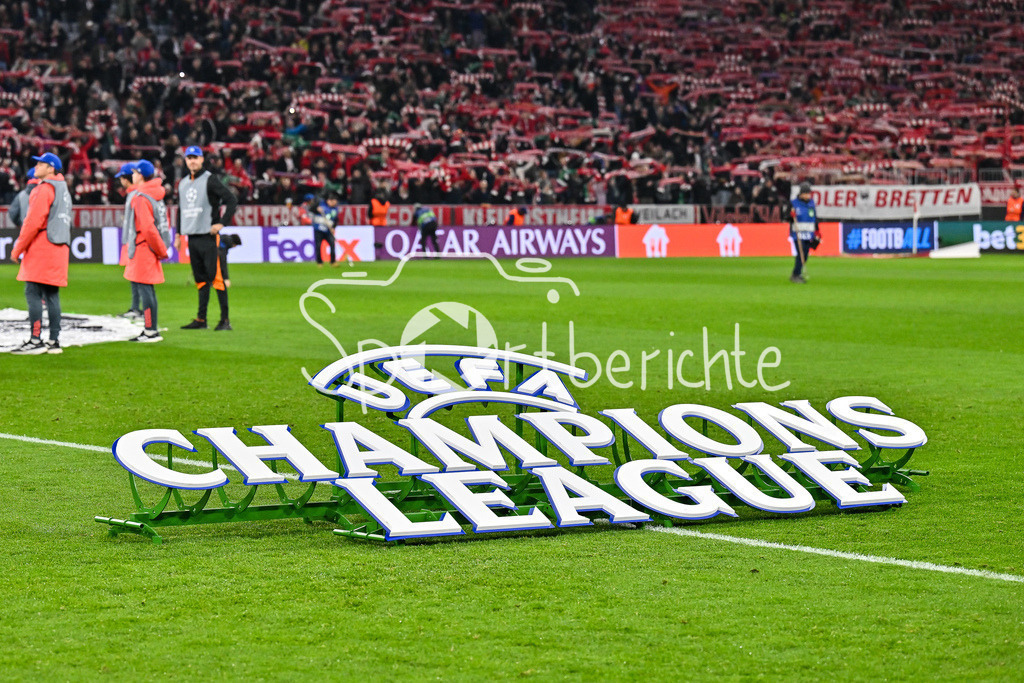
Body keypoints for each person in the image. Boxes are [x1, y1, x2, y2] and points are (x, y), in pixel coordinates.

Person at [9, 152, 72, 355]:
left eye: (41, 164)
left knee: (33, 292)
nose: (36, 166)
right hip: (60, 246)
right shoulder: (63, 188)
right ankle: (54, 340)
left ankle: (35, 339)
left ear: (51, 168)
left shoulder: (43, 188)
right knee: (52, 294)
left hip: (42, 246)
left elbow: (32, 221)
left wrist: (18, 247)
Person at [176, 145, 238, 331]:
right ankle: (201, 320)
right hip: (192, 237)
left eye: (196, 157)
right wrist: (178, 234)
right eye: (189, 158)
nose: (192, 161)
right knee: (201, 280)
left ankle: (224, 320)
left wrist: (222, 223)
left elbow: (231, 199)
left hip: (208, 237)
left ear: (202, 159)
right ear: (186, 161)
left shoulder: (210, 179)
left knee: (217, 278)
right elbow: (181, 210)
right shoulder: (183, 183)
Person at [123, 160, 169, 342]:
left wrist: (159, 249)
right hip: (150, 248)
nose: (132, 175)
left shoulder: (141, 198)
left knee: (145, 291)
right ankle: (150, 328)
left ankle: (150, 330)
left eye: (134, 172)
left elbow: (148, 228)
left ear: (140, 175)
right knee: (148, 290)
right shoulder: (155, 195)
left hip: (144, 248)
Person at [114, 163, 143, 320]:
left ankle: (137, 309)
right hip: (132, 240)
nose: (121, 182)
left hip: (133, 241)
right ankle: (136, 308)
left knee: (136, 277)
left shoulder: (135, 194)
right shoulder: (134, 194)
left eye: (122, 178)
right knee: (134, 276)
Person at [789, 182, 820, 284]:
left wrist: (817, 231)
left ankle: (796, 273)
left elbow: (814, 218)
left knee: (805, 254)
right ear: (801, 194)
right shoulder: (793, 203)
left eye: (809, 193)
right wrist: (790, 215)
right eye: (806, 193)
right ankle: (796, 274)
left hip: (809, 234)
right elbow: (786, 217)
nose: (808, 196)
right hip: (797, 234)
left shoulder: (811, 204)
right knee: (800, 253)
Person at [313, 192, 341, 267]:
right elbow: (311, 208)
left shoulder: (335, 209)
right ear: (328, 200)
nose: (334, 202)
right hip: (319, 229)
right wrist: (316, 209)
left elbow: (336, 220)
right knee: (318, 246)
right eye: (332, 200)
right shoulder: (321, 205)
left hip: (328, 230)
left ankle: (333, 261)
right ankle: (319, 262)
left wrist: (333, 227)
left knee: (332, 244)